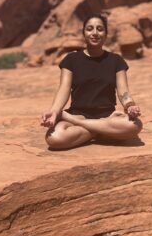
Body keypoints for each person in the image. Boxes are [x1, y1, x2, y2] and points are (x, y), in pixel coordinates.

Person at [41, 14, 142, 149]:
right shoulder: (71, 59)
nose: (95, 33)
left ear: (106, 34)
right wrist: (54, 110)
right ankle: (102, 132)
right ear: (84, 33)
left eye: (100, 29)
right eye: (90, 29)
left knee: (135, 125)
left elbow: (123, 92)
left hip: (106, 115)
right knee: (54, 138)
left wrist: (129, 105)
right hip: (79, 115)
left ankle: (89, 129)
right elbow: (64, 89)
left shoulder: (116, 61)